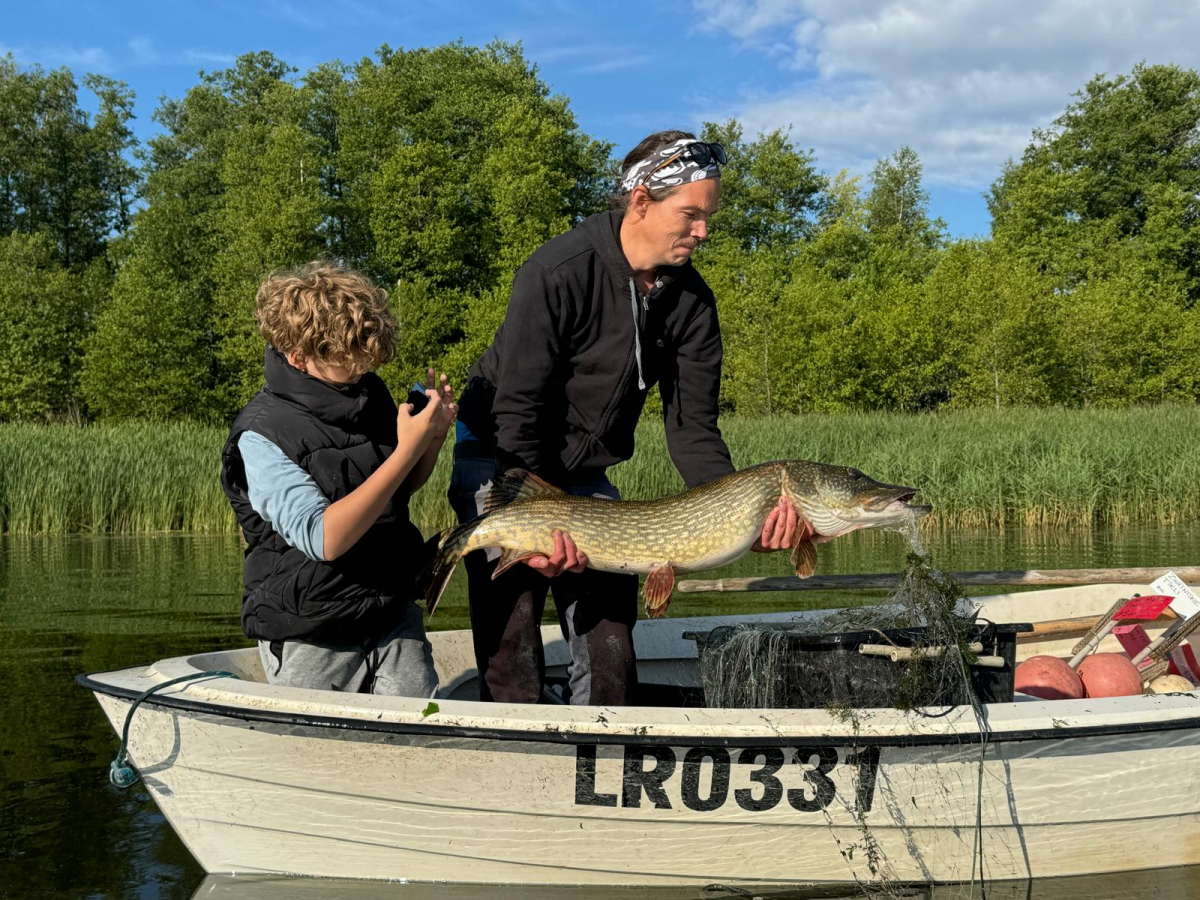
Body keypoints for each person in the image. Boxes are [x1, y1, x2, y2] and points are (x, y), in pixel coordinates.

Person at [451, 130, 797, 706]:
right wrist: (536, 523)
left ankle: (603, 758)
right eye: (689, 215)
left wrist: (741, 514)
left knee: (611, 633)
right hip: (502, 454)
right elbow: (518, 411)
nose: (703, 232)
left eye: (708, 217)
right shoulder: (556, 271)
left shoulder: (692, 304)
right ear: (641, 200)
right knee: (512, 627)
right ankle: (515, 762)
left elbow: (694, 430)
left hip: (586, 473)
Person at [220, 262, 455, 697]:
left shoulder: (369, 394)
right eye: (350, 359)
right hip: (311, 628)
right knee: (317, 751)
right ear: (299, 355)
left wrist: (433, 439)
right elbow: (324, 537)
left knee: (418, 735)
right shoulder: (261, 434)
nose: (363, 368)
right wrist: (407, 448)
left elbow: (393, 491)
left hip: (391, 612)